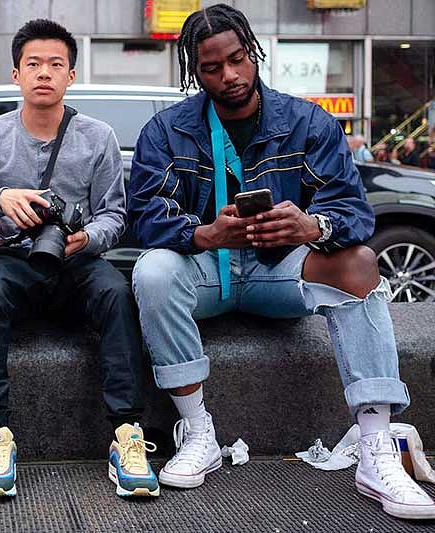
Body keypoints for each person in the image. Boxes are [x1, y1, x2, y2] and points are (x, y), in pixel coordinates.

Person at [127, 3, 434, 520]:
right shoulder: (168, 130)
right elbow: (144, 217)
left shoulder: (307, 121)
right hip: (208, 273)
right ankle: (198, 432)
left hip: (280, 274)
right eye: (211, 67)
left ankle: (376, 447)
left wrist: (311, 227)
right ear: (193, 71)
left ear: (253, 53)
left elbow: (353, 211)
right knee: (152, 272)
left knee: (359, 264)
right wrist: (205, 233)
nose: (229, 76)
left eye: (238, 59)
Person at [0, 19, 157, 499]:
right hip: (10, 258)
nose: (44, 73)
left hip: (75, 261)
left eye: (55, 64)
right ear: (16, 74)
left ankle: (127, 434)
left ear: (71, 76)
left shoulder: (97, 135)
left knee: (116, 292)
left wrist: (88, 239)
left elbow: (114, 214)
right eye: (33, 64)